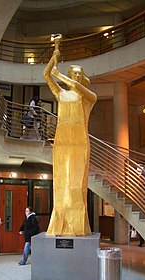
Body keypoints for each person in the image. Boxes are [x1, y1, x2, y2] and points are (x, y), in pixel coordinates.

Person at [43, 34, 97, 236]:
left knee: (76, 184)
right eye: (72, 73)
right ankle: (60, 224)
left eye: (77, 74)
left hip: (79, 143)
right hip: (62, 141)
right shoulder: (61, 94)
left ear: (82, 78)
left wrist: (60, 75)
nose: (74, 77)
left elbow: (74, 86)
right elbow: (46, 74)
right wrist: (54, 55)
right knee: (60, 183)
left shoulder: (89, 97)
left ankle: (77, 226)